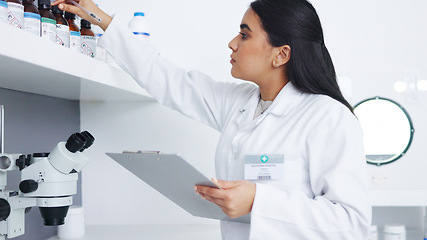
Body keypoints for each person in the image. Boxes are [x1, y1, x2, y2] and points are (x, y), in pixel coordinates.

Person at [52, 0, 372, 239]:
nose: (232, 43)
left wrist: (259, 201)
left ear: (281, 54)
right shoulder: (239, 103)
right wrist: (100, 19)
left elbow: (351, 223)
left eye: (244, 35)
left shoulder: (328, 118)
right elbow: (168, 80)